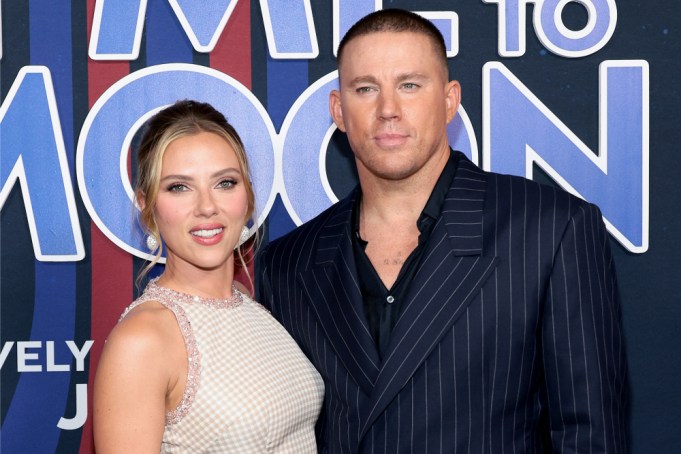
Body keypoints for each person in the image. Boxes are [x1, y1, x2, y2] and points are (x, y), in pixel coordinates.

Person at [258, 9, 627, 453]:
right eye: (365, 89)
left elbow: (590, 436)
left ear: (450, 101)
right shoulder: (286, 264)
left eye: (410, 85)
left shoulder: (550, 230)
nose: (388, 110)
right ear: (338, 110)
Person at [93, 100, 324, 453]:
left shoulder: (251, 307)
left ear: (246, 196)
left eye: (225, 183)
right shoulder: (143, 340)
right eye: (179, 187)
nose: (206, 206)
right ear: (147, 203)